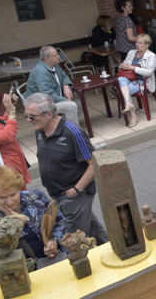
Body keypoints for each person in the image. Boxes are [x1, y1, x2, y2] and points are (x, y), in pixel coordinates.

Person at [24, 93, 108, 244]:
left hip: (74, 196)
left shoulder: (73, 132)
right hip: (57, 195)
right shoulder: (40, 130)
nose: (28, 120)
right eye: (26, 115)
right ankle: (111, 247)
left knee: (75, 242)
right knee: (93, 229)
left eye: (32, 116)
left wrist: (76, 190)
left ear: (49, 114)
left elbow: (94, 163)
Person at [0, 164, 69, 265]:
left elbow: (61, 221)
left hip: (56, 260)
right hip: (23, 270)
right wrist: (15, 225)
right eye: (2, 198)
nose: (10, 201)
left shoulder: (36, 197)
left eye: (13, 194)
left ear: (19, 188)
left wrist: (54, 241)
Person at [25, 46, 79, 127]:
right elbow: (47, 95)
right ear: (47, 59)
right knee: (71, 106)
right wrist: (64, 100)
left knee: (79, 103)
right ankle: (74, 132)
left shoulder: (54, 66)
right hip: (41, 106)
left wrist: (66, 86)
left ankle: (64, 127)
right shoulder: (41, 72)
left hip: (53, 101)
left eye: (57, 54)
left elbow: (64, 75)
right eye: (55, 55)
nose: (58, 56)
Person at [117, 33, 156, 128]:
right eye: (137, 43)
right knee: (120, 79)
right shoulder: (131, 52)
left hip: (142, 81)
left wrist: (133, 68)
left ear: (147, 45)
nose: (137, 45)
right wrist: (123, 66)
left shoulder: (151, 56)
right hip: (128, 78)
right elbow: (123, 65)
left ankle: (133, 115)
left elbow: (149, 72)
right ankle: (128, 103)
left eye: (140, 43)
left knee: (123, 91)